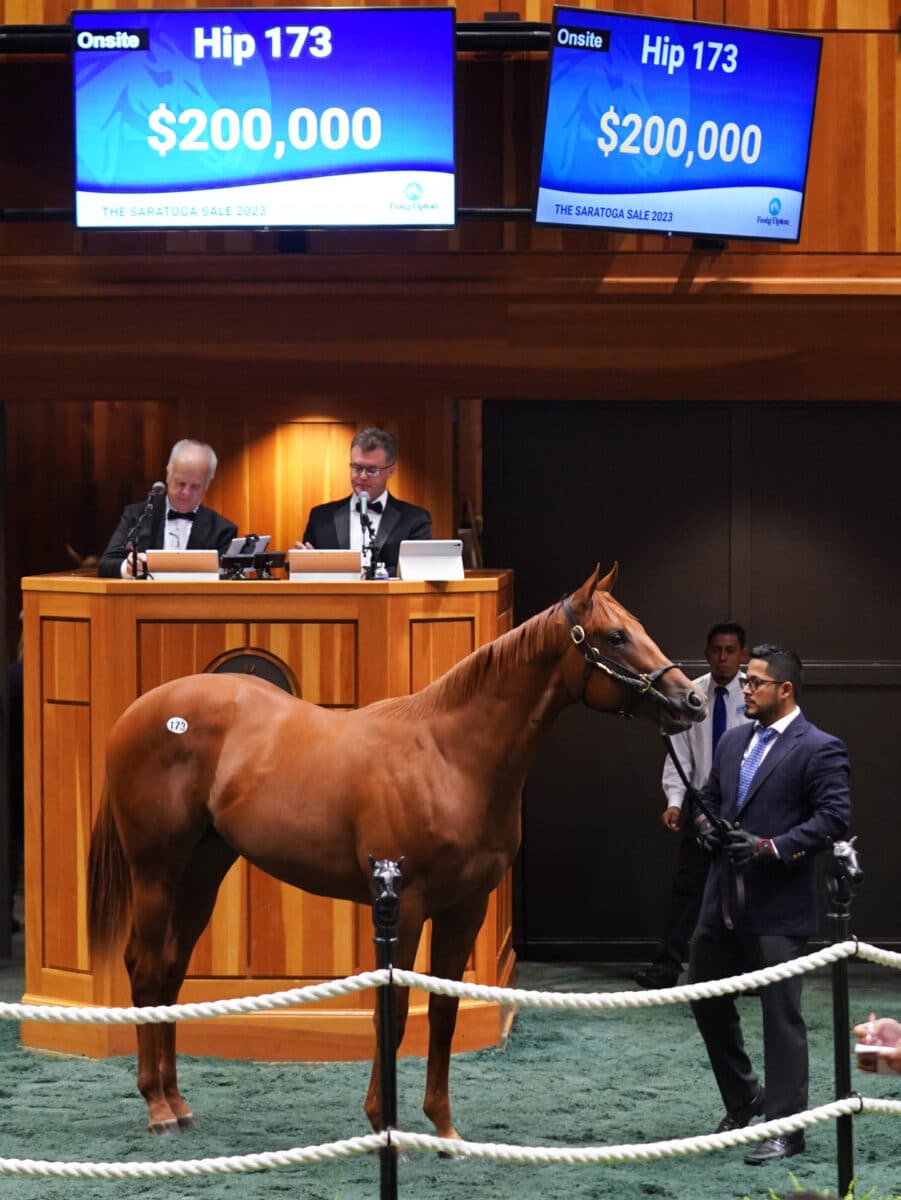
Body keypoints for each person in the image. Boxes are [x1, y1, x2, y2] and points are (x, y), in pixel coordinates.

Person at [689, 644, 851, 1165]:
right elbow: (711, 800)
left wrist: (770, 847)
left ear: (785, 689)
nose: (745, 688)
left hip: (780, 905)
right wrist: (704, 828)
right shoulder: (735, 741)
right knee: (704, 996)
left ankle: (786, 1128)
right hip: (722, 900)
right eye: (745, 681)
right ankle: (745, 1099)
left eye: (755, 681)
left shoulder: (821, 748)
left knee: (782, 1017)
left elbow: (833, 820)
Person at [634, 622, 750, 989]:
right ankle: (668, 965)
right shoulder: (693, 693)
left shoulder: (754, 693)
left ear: (742, 654)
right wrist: (675, 802)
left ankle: (750, 973)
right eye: (716, 650)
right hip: (703, 805)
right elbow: (680, 753)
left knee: (747, 891)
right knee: (688, 889)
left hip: (746, 806)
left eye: (730, 650)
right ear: (706, 653)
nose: (722, 658)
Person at [297, 427, 431, 577]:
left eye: (372, 470)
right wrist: (301, 563)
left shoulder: (415, 519)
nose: (362, 476)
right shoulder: (321, 517)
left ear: (391, 471)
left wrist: (367, 574)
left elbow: (418, 571)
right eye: (357, 467)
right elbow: (304, 576)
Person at [98, 439, 237, 578]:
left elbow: (227, 579)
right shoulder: (138, 516)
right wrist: (128, 568)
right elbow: (106, 565)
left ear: (207, 484)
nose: (186, 492)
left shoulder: (223, 531)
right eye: (180, 483)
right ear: (168, 475)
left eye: (195, 486)